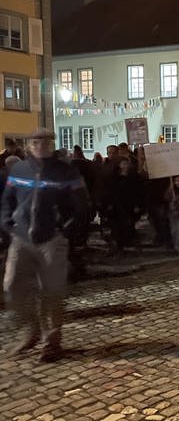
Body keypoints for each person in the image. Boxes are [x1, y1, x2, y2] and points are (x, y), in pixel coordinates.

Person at [2, 129, 88, 362]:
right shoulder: (18, 169)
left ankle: (51, 342)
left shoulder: (65, 171)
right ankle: (31, 328)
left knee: (53, 292)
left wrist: (65, 230)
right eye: (36, 141)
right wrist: (8, 224)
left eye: (46, 141)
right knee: (12, 287)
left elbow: (82, 206)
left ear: (52, 144)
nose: (40, 145)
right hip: (21, 238)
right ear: (28, 144)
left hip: (52, 239)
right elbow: (8, 199)